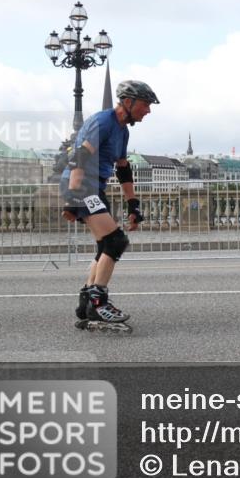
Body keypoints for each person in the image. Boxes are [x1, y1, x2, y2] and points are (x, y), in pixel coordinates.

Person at [60, 80, 159, 329]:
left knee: (106, 245)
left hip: (95, 186)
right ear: (128, 102)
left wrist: (133, 205)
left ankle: (87, 300)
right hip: (82, 185)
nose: (148, 111)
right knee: (116, 241)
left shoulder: (123, 131)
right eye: (145, 105)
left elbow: (123, 170)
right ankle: (98, 302)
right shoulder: (103, 122)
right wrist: (72, 198)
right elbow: (79, 158)